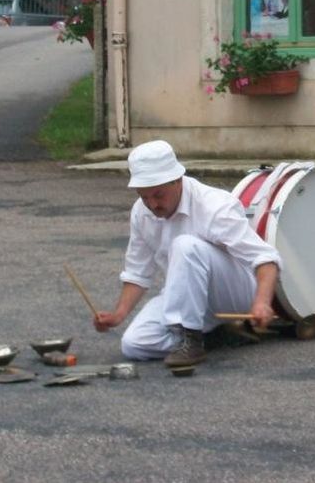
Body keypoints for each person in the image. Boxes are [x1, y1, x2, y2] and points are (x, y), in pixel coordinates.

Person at [94, 140, 281, 367]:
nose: (152, 205)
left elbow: (265, 259)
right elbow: (138, 272)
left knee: (185, 246)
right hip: (187, 297)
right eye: (144, 197)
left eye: (158, 195)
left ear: (176, 180)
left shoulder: (213, 205)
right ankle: (210, 336)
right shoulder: (141, 213)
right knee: (135, 344)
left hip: (235, 293)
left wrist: (262, 302)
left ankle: (190, 341)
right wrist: (118, 315)